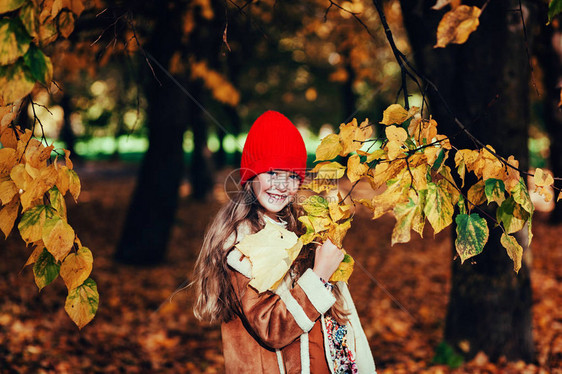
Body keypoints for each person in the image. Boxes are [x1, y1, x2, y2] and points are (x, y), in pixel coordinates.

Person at [192, 110, 376, 373]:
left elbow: (338, 319)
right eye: (271, 172)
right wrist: (320, 275)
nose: (281, 185)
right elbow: (271, 327)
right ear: (250, 176)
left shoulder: (303, 232)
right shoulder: (242, 245)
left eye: (291, 176)